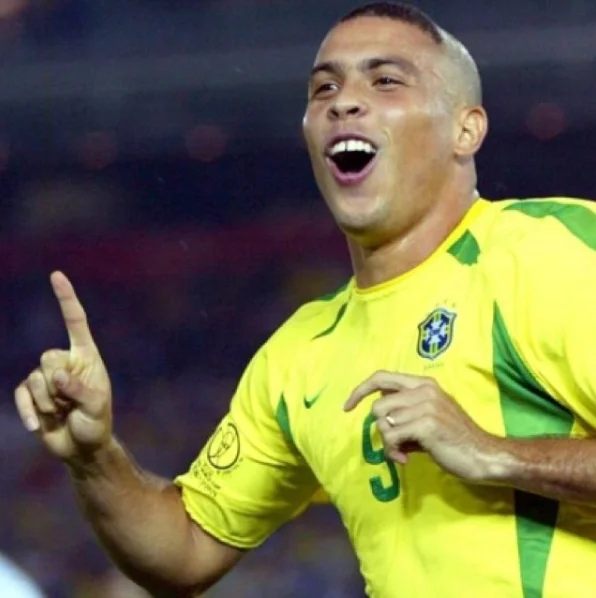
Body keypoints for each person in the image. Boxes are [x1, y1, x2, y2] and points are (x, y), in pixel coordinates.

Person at [13, 2, 596, 597]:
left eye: (385, 80)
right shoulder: (300, 355)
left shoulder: (555, 251)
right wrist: (95, 456)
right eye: (324, 89)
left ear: (465, 129)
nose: (344, 102)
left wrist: (493, 453)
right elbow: (184, 553)